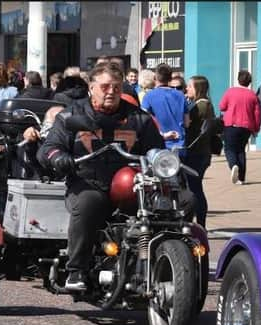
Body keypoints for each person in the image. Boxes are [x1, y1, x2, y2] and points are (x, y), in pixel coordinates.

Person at [36, 62, 192, 292]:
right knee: (89, 203)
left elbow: (154, 148)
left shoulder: (139, 118)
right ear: (91, 87)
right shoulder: (72, 114)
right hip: (88, 182)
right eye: (105, 86)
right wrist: (58, 157)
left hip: (133, 185)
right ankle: (76, 269)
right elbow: (49, 147)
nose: (111, 91)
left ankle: (177, 265)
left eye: (117, 87)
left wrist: (161, 159)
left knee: (186, 200)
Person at [219, 70, 261, 185]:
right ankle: (241, 178)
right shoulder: (253, 95)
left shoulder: (230, 91)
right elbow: (257, 114)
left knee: (229, 149)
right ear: (249, 82)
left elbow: (222, 106)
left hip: (231, 124)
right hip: (246, 127)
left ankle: (234, 165)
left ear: (238, 79)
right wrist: (256, 128)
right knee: (241, 150)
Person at [185, 75, 216, 226]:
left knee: (195, 188)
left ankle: (199, 223)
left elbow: (186, 122)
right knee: (195, 187)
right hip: (202, 152)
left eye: (190, 86)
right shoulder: (203, 104)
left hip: (197, 152)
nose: (187, 89)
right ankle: (199, 222)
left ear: (198, 88)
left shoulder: (200, 106)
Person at [142, 63, 190, 153]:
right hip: (179, 145)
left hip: (159, 146)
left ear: (155, 78)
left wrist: (163, 135)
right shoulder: (180, 95)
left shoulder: (149, 96)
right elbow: (186, 123)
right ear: (170, 78)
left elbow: (144, 121)